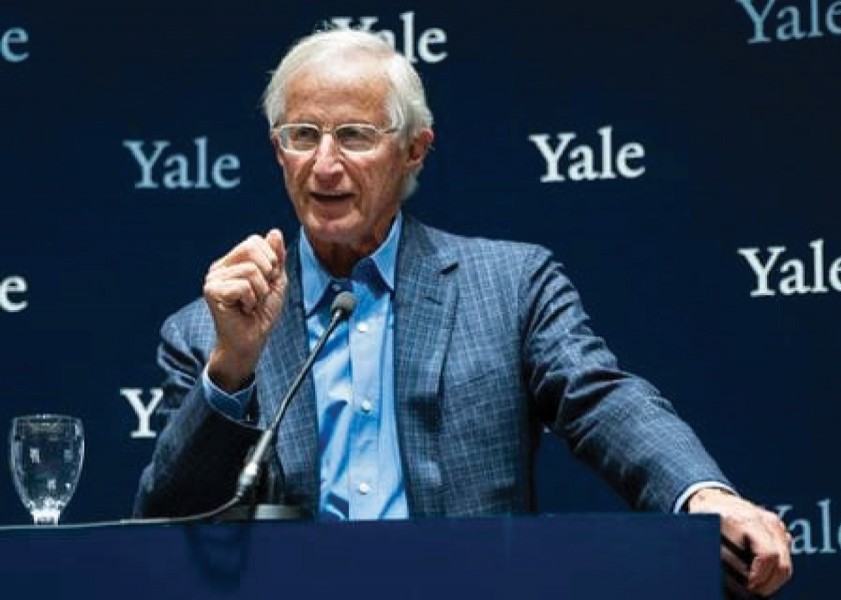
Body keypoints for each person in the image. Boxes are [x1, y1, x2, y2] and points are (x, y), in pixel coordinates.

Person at [134, 27, 792, 597]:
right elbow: (165, 525)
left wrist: (702, 494)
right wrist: (232, 367)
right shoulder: (208, 330)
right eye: (303, 135)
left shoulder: (510, 286)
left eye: (355, 136)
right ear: (279, 151)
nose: (325, 165)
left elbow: (600, 401)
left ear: (414, 149)